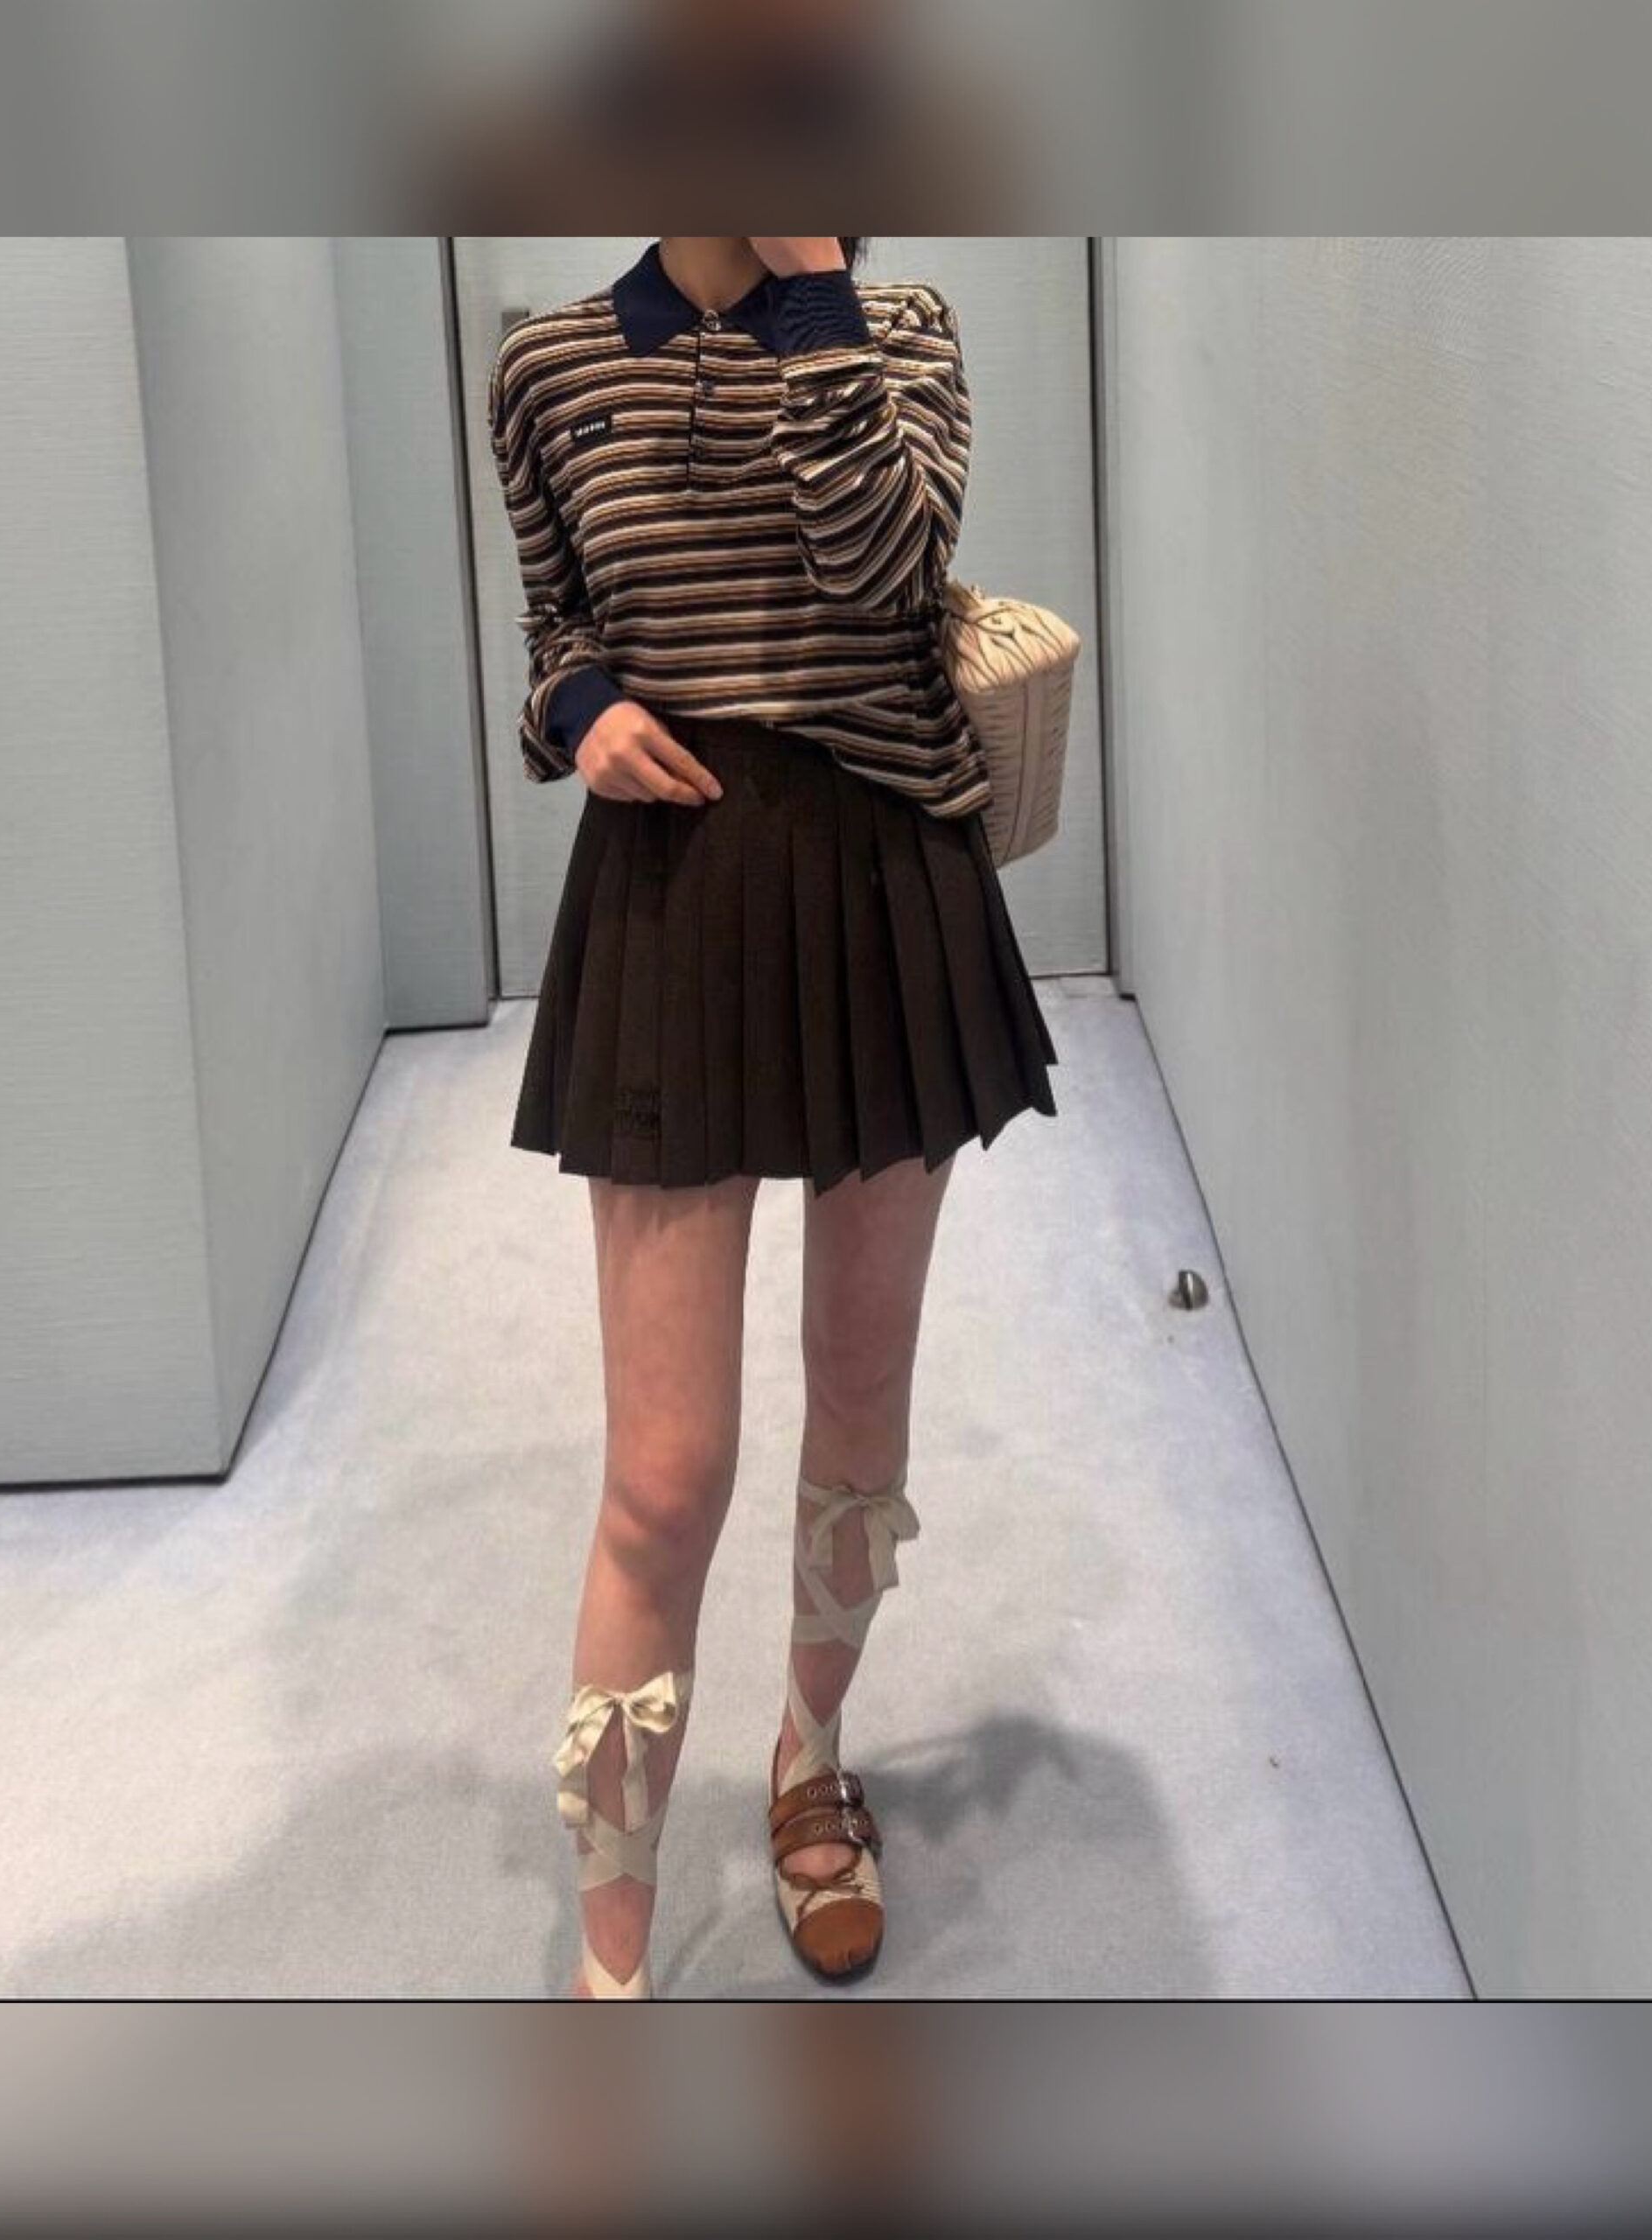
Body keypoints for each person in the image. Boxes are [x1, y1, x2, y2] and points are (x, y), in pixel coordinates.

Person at [486, 235, 1060, 1997]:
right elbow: (555, 629)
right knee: (663, 1475)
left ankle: (810, 1760)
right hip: (671, 905)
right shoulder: (551, 366)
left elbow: (886, 569)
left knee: (860, 1402)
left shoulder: (898, 332)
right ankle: (611, 1965)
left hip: (887, 893)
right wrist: (579, 709)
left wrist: (816, 289)